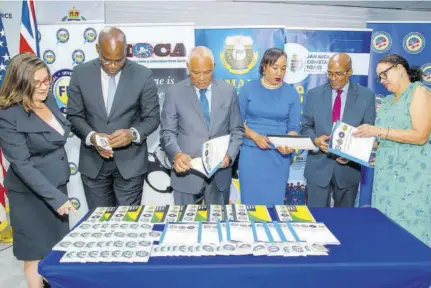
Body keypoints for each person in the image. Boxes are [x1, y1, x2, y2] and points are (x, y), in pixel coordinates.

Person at [0, 53, 76, 288]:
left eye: (47, 80)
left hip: (57, 188)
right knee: (34, 255)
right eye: (38, 83)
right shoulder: (7, 115)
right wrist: (56, 198)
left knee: (55, 251)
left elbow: (59, 132)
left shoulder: (47, 99)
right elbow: (22, 165)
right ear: (21, 82)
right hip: (31, 196)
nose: (45, 87)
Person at [67, 27, 160, 209]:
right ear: (97, 49)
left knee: (127, 224)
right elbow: (74, 116)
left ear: (126, 50)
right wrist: (92, 137)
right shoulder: (80, 73)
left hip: (130, 165)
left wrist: (132, 134)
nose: (112, 65)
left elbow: (153, 118)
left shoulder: (143, 75)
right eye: (106, 60)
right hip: (93, 165)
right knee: (99, 224)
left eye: (119, 60)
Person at [354, 54, 431, 245]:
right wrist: (350, 154)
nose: (382, 80)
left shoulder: (419, 92)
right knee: (387, 226)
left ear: (400, 69)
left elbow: (421, 136)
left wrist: (379, 130)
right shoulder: (387, 102)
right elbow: (381, 139)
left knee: (412, 226)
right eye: (379, 77)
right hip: (386, 175)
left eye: (385, 74)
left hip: (412, 174)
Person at [160, 46, 243, 205]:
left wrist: (230, 155)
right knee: (184, 226)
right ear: (188, 67)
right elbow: (167, 132)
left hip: (219, 175)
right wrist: (177, 155)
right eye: (196, 73)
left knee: (217, 226)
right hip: (186, 174)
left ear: (214, 67)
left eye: (207, 72)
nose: (202, 78)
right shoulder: (175, 92)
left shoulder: (228, 91)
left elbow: (237, 130)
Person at [301, 53, 376, 208]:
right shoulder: (314, 95)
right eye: (329, 73)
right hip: (317, 169)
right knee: (316, 219)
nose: (332, 78)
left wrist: (352, 154)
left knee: (344, 221)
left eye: (338, 74)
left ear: (349, 72)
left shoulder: (366, 96)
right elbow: (305, 127)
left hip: (348, 171)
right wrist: (315, 140)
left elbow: (369, 131)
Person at [238, 48, 301, 206]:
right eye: (275, 67)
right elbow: (236, 122)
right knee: (251, 206)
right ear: (264, 66)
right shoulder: (248, 89)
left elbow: (293, 128)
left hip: (279, 157)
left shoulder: (291, 94)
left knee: (274, 205)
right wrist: (254, 136)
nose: (279, 72)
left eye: (283, 68)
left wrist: (290, 143)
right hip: (251, 154)